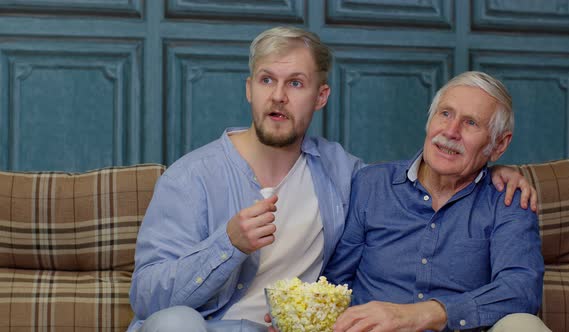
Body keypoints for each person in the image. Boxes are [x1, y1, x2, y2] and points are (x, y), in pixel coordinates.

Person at [127, 27, 536, 332]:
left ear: (321, 96)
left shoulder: (347, 174)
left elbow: (429, 183)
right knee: (175, 322)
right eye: (267, 80)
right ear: (250, 89)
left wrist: (495, 171)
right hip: (212, 326)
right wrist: (228, 243)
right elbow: (146, 298)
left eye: (296, 83)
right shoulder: (192, 177)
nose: (279, 96)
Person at [324, 71, 548, 332]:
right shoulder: (372, 184)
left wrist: (426, 314)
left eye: (471, 123)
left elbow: (521, 290)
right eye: (445, 114)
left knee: (524, 326)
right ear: (430, 121)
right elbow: (335, 283)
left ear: (499, 145)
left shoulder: (506, 200)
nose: (451, 131)